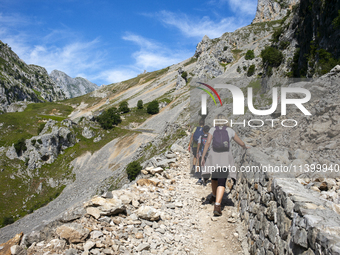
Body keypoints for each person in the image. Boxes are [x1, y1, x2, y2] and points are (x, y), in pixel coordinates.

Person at [201, 114, 249, 216]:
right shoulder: (230, 130)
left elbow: (208, 143)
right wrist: (245, 147)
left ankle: (214, 196)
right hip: (225, 158)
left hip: (214, 158)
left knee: (214, 178)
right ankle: (217, 206)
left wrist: (203, 156)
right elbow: (240, 142)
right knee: (221, 181)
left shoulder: (212, 130)